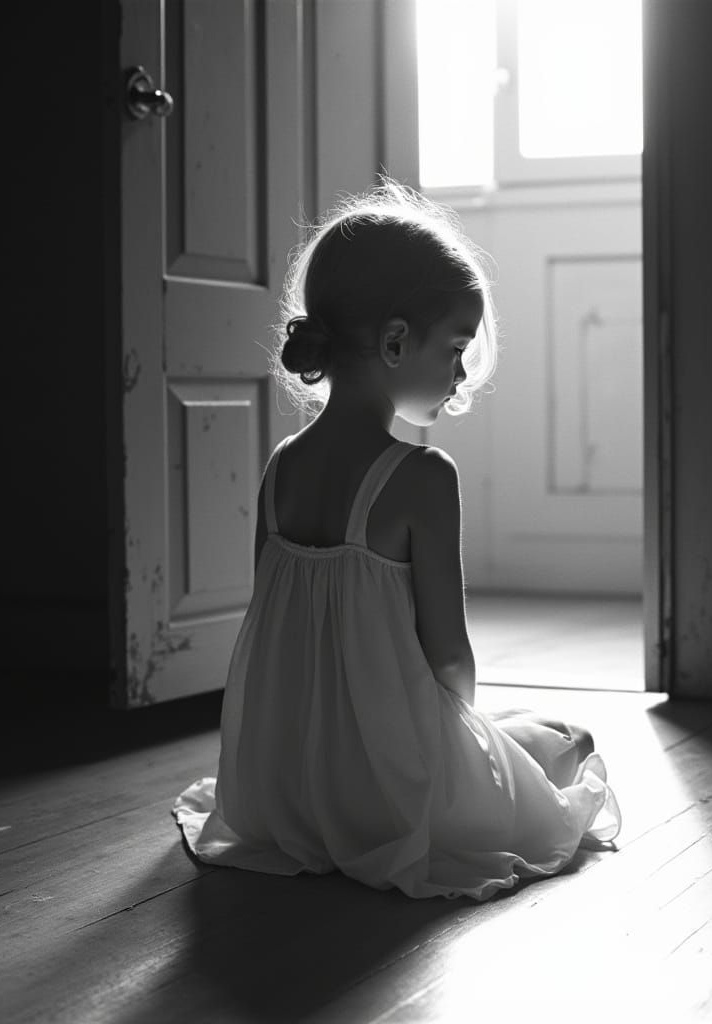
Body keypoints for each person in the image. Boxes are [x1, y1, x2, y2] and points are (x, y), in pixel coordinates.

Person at [173, 179, 620, 901]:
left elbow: (273, 630)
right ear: (394, 342)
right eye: (456, 348)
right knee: (569, 740)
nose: (460, 374)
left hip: (283, 784)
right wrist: (466, 741)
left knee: (516, 731)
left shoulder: (281, 468)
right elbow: (450, 661)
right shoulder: (422, 478)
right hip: (393, 795)